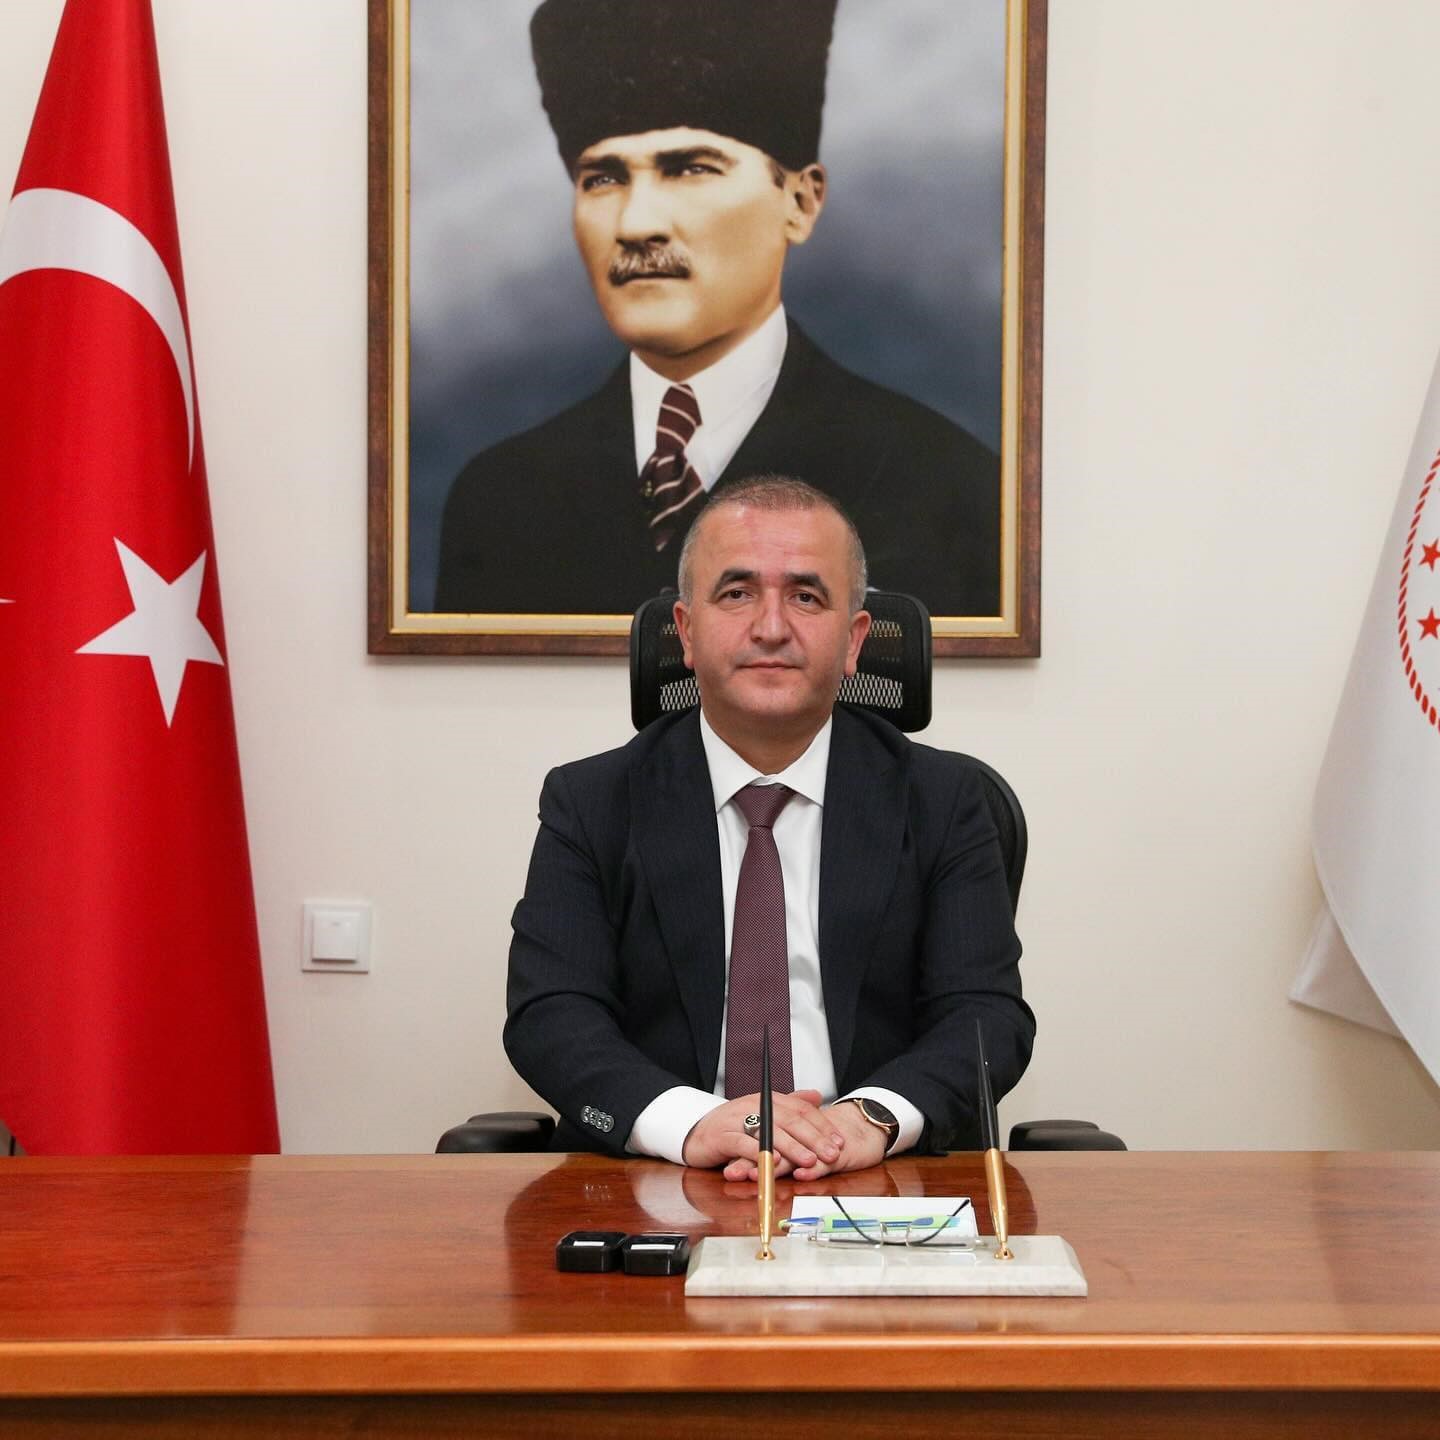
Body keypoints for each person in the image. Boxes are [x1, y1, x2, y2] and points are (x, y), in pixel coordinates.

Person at [504, 475, 1033, 1178]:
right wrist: (692, 1124)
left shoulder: (944, 800)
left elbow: (984, 1016)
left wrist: (869, 1118)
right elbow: (551, 1015)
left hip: (873, 1178)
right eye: (736, 593)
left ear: (854, 641)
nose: (772, 628)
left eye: (806, 597)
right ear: (686, 633)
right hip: (662, 1177)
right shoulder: (592, 801)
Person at [436, 0, 1000, 622]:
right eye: (603, 179)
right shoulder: (500, 499)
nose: (636, 224)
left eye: (690, 169)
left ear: (800, 202)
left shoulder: (944, 486)